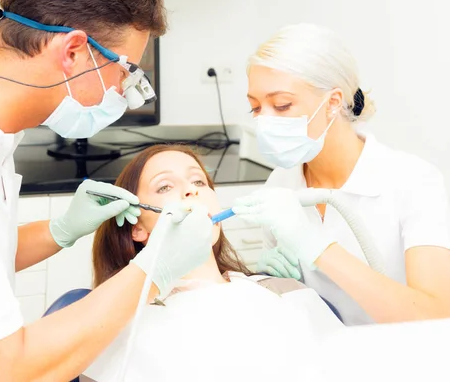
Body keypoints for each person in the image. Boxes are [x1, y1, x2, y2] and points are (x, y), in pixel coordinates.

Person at [0, 0, 213, 381]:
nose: (122, 93)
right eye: (125, 73)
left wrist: (60, 230)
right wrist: (153, 272)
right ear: (73, 52)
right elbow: (5, 372)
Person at [234, 23, 450, 326]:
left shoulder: (413, 180)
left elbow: (436, 317)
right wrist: (270, 280)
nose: (265, 122)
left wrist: (319, 248)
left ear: (333, 102)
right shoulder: (281, 182)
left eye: (281, 105)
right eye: (255, 108)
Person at [84, 145, 343, 382]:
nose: (192, 190)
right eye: (164, 186)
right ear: (136, 228)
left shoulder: (284, 292)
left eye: (199, 180)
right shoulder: (120, 322)